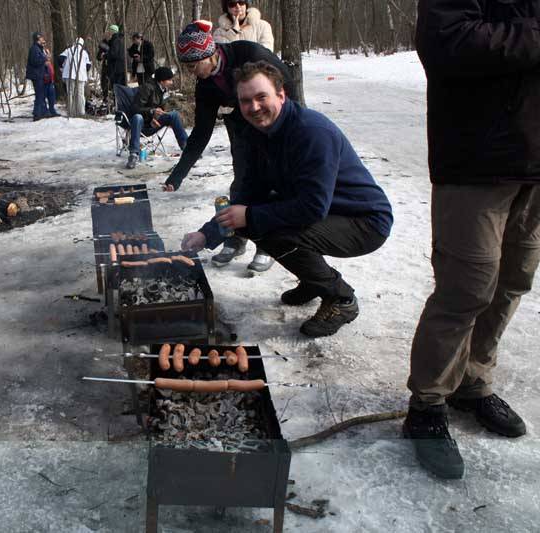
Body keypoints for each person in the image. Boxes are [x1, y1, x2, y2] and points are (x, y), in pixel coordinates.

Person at [403, 0, 540, 480]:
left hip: (534, 162)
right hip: (476, 159)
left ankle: (473, 381)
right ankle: (427, 404)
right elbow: (447, 42)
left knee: (512, 281)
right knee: (467, 288)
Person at [181, 61, 392, 338]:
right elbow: (246, 194)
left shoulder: (312, 133)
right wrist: (206, 234)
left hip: (363, 221)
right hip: (325, 212)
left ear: (281, 95)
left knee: (270, 228)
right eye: (246, 101)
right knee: (253, 220)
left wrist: (251, 216)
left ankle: (340, 298)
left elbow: (313, 207)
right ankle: (314, 281)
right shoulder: (256, 135)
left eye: (261, 97)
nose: (254, 107)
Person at [166, 21, 298, 277]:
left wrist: (292, 127)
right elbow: (201, 133)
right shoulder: (205, 85)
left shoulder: (249, 53)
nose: (192, 72)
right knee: (242, 182)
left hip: (276, 123)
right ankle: (236, 239)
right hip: (242, 129)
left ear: (209, 54)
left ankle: (267, 245)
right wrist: (178, 174)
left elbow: (286, 85)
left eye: (194, 66)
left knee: (273, 184)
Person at [212, 0, 275, 273]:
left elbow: (265, 64)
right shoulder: (218, 31)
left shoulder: (262, 26)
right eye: (231, 3)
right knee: (241, 172)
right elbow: (218, 69)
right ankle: (236, 238)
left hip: (259, 111)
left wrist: (242, 33)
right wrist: (233, 31)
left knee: (266, 174)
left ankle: (266, 244)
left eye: (240, 2)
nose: (236, 7)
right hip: (235, 113)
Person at [125, 67, 189, 169]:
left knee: (174, 115)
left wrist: (155, 116)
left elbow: (161, 108)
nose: (171, 82)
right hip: (139, 124)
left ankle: (187, 148)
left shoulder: (162, 90)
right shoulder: (147, 88)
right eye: (169, 80)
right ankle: (133, 154)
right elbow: (135, 108)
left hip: (153, 122)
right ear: (162, 80)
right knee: (137, 117)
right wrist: (151, 112)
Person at [60, 37, 92, 117]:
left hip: (69, 75)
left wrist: (62, 67)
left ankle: (71, 112)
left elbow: (60, 59)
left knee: (70, 93)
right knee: (80, 94)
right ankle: (81, 112)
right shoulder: (84, 52)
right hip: (81, 76)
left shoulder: (68, 50)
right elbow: (88, 66)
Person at [26, 31, 51, 121]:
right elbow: (35, 61)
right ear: (37, 39)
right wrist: (45, 58)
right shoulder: (34, 49)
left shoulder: (39, 49)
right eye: (41, 38)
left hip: (39, 74)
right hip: (36, 75)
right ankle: (37, 114)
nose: (43, 39)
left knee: (41, 94)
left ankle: (43, 112)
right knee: (39, 94)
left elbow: (39, 61)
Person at [104, 25, 127, 89]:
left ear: (112, 31)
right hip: (120, 68)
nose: (108, 32)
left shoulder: (115, 41)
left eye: (109, 31)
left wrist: (105, 55)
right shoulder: (120, 40)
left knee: (116, 86)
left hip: (116, 68)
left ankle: (117, 98)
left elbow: (114, 54)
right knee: (119, 86)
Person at [42, 40, 60, 118]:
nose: (44, 44)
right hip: (44, 80)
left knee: (52, 97)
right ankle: (45, 111)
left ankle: (52, 110)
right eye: (42, 43)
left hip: (50, 80)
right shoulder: (39, 52)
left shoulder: (46, 51)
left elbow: (49, 57)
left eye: (44, 43)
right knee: (43, 97)